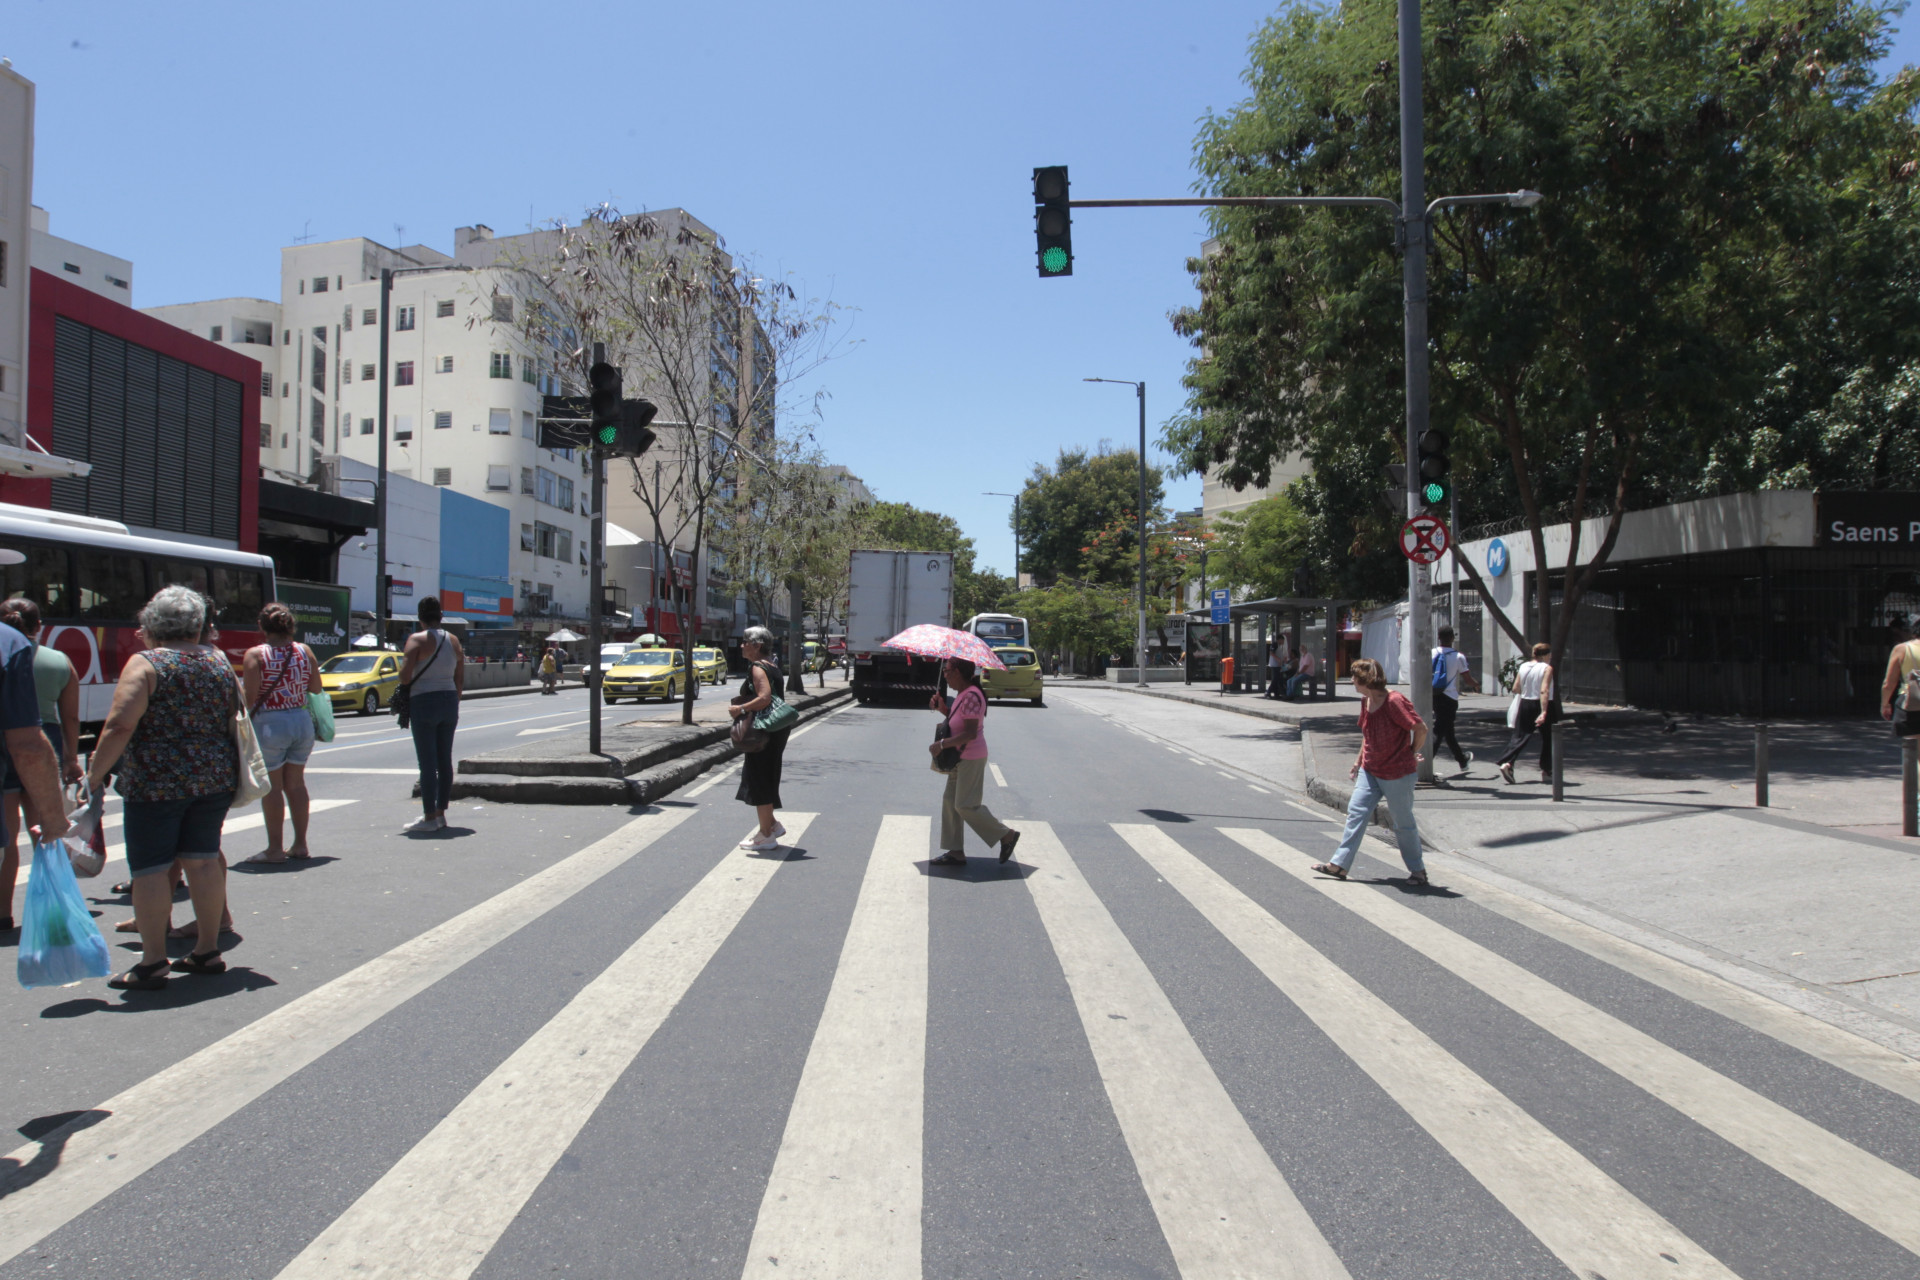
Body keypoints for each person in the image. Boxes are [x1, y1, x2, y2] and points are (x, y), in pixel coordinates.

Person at [87, 586, 233, 990]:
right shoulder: (218, 662)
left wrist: (94, 776)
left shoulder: (146, 664)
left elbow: (119, 726)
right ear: (197, 624)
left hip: (155, 784)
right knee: (203, 862)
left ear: (152, 624)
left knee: (150, 869)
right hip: (212, 779)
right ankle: (207, 950)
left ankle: (152, 961)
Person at [1311, 657, 1429, 886]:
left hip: (1397, 773)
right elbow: (1368, 736)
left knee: (1402, 823)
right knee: (1356, 813)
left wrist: (1411, 751)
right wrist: (1358, 762)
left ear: (1366, 680)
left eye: (1354, 677)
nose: (1352, 681)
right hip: (1370, 769)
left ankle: (1418, 871)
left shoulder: (1394, 701)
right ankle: (1339, 865)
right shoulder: (1366, 702)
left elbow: (1420, 728)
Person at [0, 599, 81, 932]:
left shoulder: (7, 650)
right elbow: (71, 717)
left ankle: (3, 914)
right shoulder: (60, 661)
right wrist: (72, 759)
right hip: (42, 745)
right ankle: (55, 915)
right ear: (39, 626)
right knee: (46, 835)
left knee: (6, 838)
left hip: (5, 745)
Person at [240, 603, 323, 863]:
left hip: (270, 724)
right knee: (296, 784)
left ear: (262, 627)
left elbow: (250, 698)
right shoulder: (304, 650)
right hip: (301, 720)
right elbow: (316, 688)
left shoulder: (255, 655)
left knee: (273, 788)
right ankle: (300, 844)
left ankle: (274, 849)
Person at [928, 655, 1021, 867]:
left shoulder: (971, 695)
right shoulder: (963, 694)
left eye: (947, 671)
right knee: (950, 803)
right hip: (959, 757)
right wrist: (943, 708)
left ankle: (1006, 835)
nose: (945, 675)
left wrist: (942, 745)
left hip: (970, 756)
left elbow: (969, 733)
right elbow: (957, 719)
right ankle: (955, 852)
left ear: (958, 673)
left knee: (965, 805)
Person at [399, 597, 464, 833]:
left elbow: (405, 677)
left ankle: (428, 817)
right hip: (449, 700)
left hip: (424, 700)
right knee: (444, 760)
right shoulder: (454, 640)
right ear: (441, 615)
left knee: (427, 763)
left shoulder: (416, 640)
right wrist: (453, 700)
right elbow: (459, 677)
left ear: (420, 618)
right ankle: (441, 814)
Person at [729, 626, 792, 851]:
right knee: (764, 776)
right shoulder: (772, 666)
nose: (742, 645)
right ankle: (771, 825)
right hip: (774, 730)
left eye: (745, 642)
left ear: (757, 645)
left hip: (763, 732)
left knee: (760, 779)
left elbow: (764, 698)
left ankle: (766, 835)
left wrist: (740, 709)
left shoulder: (757, 667)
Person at [1496, 642, 1557, 785]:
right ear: (1546, 655)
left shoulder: (1523, 666)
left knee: (1520, 736)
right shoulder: (1547, 668)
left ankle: (1508, 763)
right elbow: (1544, 690)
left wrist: (1528, 688)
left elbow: (1516, 688)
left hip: (1525, 703)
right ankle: (1547, 770)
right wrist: (1543, 711)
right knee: (1549, 738)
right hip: (1542, 703)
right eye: (1550, 654)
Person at [1430, 625, 1477, 773]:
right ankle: (1424, 763)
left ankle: (1462, 760)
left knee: (1448, 731)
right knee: (1439, 730)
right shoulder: (1458, 656)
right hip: (1449, 697)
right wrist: (1476, 685)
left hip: (1435, 695)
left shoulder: (1431, 653)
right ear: (1452, 638)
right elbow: (1467, 679)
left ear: (1438, 637)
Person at [1882, 616, 1920, 738]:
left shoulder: (1902, 649)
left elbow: (1889, 683)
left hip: (1911, 701)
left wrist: (1885, 704)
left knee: (1911, 746)